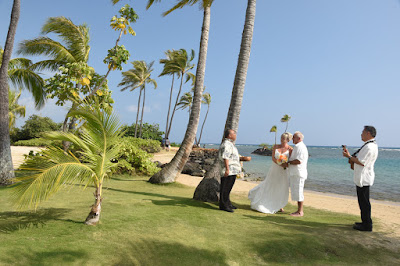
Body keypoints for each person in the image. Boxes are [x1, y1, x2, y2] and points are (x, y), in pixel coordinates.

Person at [342, 126, 378, 232]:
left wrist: (349, 157)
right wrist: (350, 157)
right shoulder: (369, 145)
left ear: (368, 133)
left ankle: (367, 224)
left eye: (362, 132)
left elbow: (362, 162)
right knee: (363, 201)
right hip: (363, 176)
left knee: (364, 202)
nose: (361, 134)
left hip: (364, 178)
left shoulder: (369, 147)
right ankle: (365, 222)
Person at [248, 133, 293, 214]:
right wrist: (280, 163)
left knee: (281, 187)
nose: (281, 139)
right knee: (271, 185)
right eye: (281, 137)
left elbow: (291, 160)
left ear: (287, 140)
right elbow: (273, 158)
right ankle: (265, 201)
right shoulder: (275, 146)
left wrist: (285, 164)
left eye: (283, 138)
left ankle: (280, 205)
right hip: (274, 169)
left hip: (283, 171)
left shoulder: (290, 149)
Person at [219, 129, 251, 212]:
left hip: (232, 170)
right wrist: (227, 169)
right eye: (234, 133)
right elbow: (225, 157)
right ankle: (223, 205)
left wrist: (243, 159)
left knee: (228, 188)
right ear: (229, 135)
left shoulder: (230, 144)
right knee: (225, 188)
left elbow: (233, 157)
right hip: (229, 170)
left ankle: (228, 203)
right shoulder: (226, 144)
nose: (235, 135)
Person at [282, 131, 308, 217]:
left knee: (299, 191)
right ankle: (298, 210)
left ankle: (300, 211)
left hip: (298, 173)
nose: (292, 139)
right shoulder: (298, 147)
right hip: (296, 173)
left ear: (299, 138)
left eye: (294, 137)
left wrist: (288, 162)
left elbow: (298, 161)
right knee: (296, 191)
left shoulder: (299, 146)